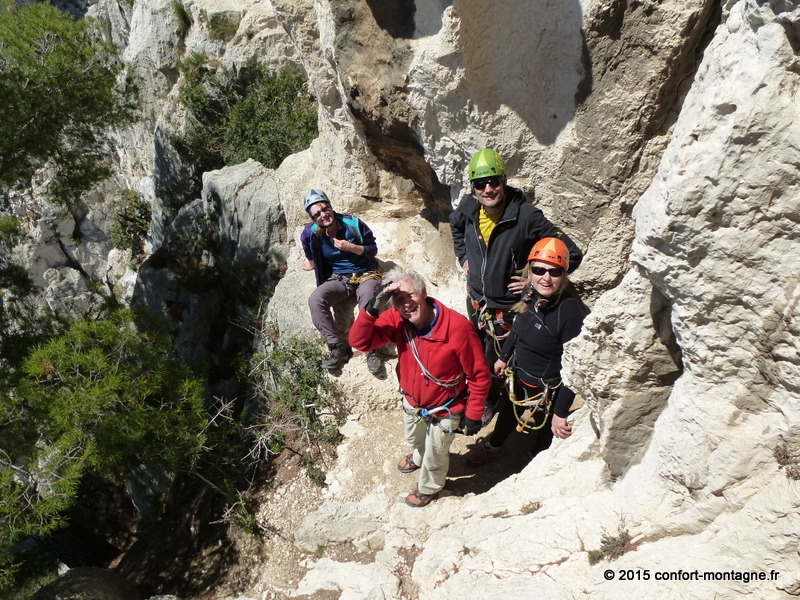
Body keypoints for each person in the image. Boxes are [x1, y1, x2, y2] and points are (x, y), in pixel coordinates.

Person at [449, 148, 584, 417]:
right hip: (477, 300)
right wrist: (463, 255)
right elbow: (455, 227)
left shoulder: (526, 216)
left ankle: (491, 398)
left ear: (504, 180)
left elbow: (572, 253)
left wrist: (533, 282)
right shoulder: (468, 207)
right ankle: (481, 390)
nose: (487, 189)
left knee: (494, 358)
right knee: (476, 352)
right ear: (473, 188)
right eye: (480, 184)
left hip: (507, 309)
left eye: (493, 181)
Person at [349, 269, 490, 507]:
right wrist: (372, 309)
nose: (406, 304)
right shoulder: (397, 321)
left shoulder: (457, 328)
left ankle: (429, 487)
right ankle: (419, 455)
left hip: (445, 408)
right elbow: (359, 341)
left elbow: (478, 374)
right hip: (413, 402)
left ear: (423, 292)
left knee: (436, 454)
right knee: (414, 438)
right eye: (398, 300)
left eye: (410, 295)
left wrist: (474, 414)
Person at [466, 237, 585, 464]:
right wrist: (503, 358)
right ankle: (494, 446)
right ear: (529, 272)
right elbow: (518, 329)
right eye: (539, 270)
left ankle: (538, 459)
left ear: (564, 276)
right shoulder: (530, 295)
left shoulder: (569, 313)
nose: (546, 277)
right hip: (518, 377)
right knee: (508, 413)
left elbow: (574, 368)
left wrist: (560, 413)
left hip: (547, 390)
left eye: (555, 272)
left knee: (546, 428)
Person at [300, 189, 384, 373]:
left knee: (368, 296)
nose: (323, 215)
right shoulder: (311, 233)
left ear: (330, 206)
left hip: (365, 272)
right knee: (315, 300)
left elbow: (373, 248)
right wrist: (311, 262)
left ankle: (371, 349)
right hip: (339, 278)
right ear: (313, 219)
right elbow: (308, 248)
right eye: (317, 214)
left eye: (325, 209)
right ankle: (336, 348)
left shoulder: (352, 224)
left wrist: (352, 248)